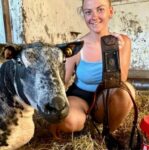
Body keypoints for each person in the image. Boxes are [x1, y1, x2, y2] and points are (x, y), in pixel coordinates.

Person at [49, 0, 135, 138]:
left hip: (105, 98)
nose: (94, 16)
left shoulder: (123, 41)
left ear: (110, 12)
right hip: (79, 97)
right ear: (84, 15)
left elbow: (121, 80)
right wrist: (54, 114)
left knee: (127, 91)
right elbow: (62, 82)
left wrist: (113, 53)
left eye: (100, 9)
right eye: (88, 12)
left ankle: (107, 135)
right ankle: (81, 121)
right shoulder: (76, 46)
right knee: (67, 121)